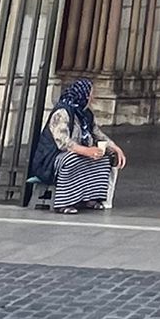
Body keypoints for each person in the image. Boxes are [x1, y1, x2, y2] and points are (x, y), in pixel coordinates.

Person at [36, 76, 125, 215]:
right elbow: (63, 141)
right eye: (91, 94)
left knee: (105, 159)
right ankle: (64, 203)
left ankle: (90, 198)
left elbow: (97, 134)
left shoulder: (85, 114)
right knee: (71, 160)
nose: (92, 98)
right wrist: (86, 151)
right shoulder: (62, 112)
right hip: (52, 157)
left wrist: (114, 147)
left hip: (79, 151)